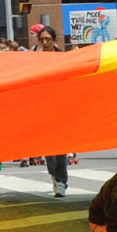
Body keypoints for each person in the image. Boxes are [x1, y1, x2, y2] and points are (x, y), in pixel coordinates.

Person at [36, 26, 71, 197]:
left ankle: (60, 180)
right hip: (43, 105)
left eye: (48, 39)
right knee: (48, 144)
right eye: (42, 39)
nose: (45, 42)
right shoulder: (34, 59)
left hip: (61, 105)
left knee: (61, 145)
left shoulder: (64, 58)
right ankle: (55, 175)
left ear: (55, 40)